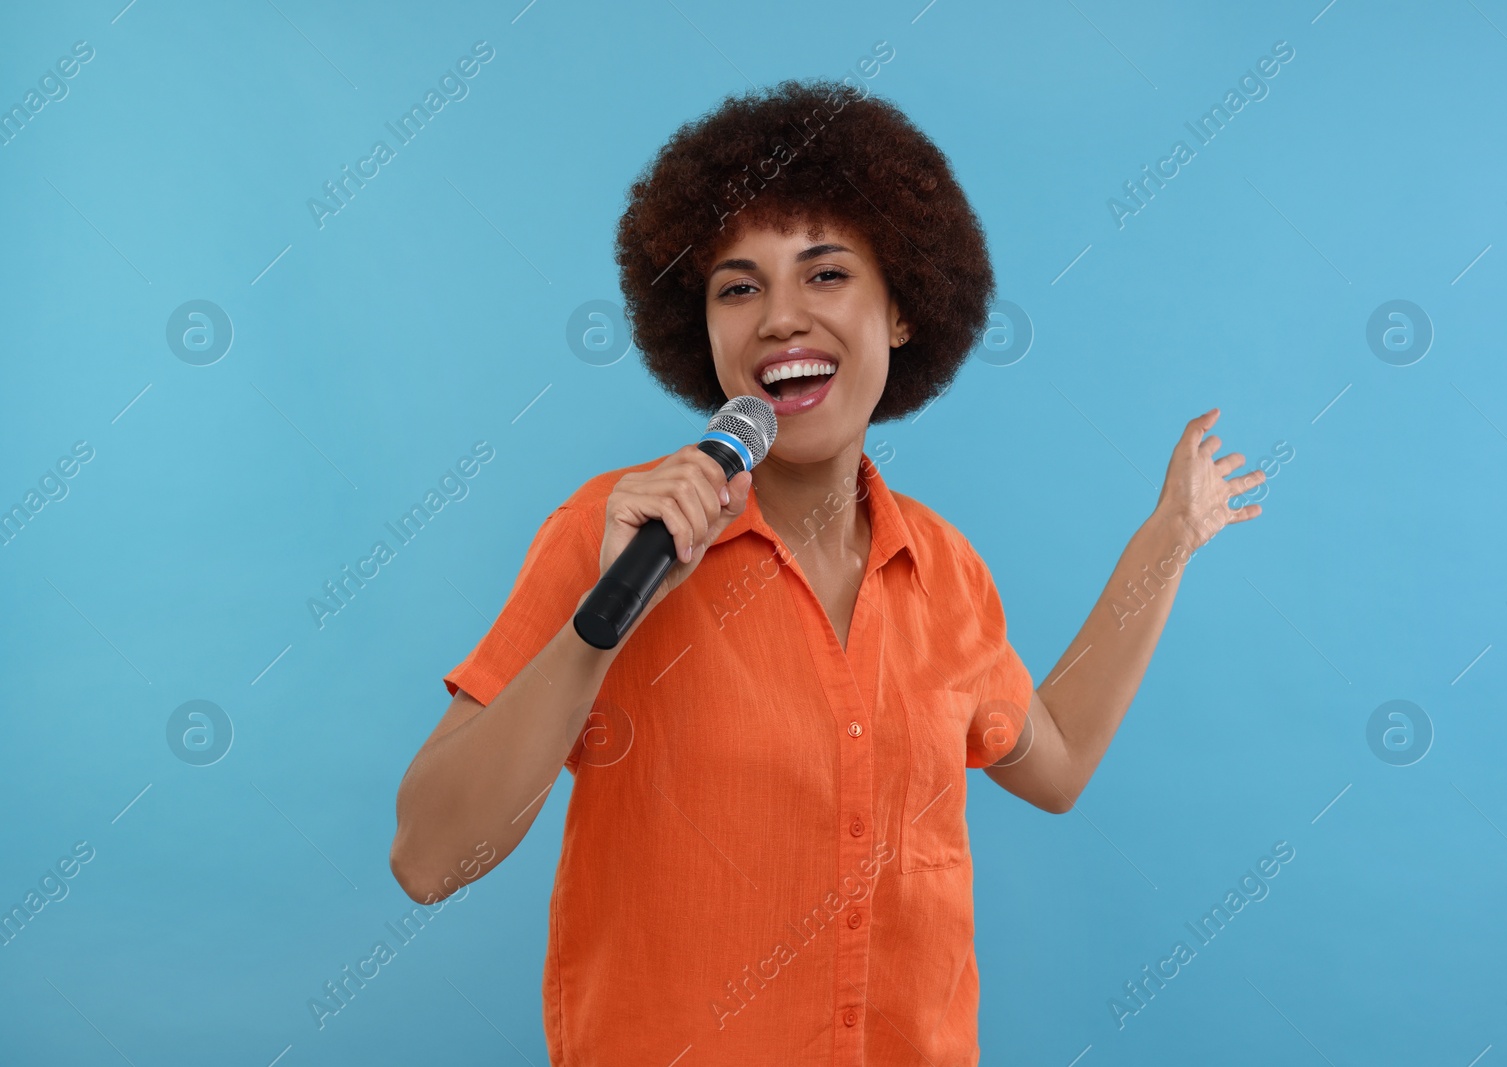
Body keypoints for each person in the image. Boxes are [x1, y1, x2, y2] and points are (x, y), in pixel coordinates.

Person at [389, 77, 1264, 1065]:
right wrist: (600, 625)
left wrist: (1167, 541)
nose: (779, 316)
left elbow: (1053, 761)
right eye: (738, 285)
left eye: (826, 274)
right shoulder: (611, 534)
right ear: (703, 330)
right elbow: (427, 858)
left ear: (899, 312)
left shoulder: (944, 568)